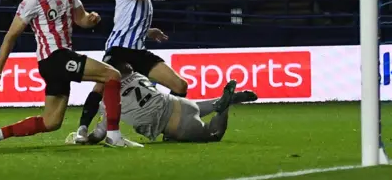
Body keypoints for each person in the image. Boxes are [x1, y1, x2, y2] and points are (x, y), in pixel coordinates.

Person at [0, 0, 143, 149]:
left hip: (61, 59)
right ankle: (114, 136)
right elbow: (11, 37)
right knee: (112, 75)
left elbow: (81, 18)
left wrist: (91, 19)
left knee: (51, 122)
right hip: (53, 58)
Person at [74, 0, 188, 144]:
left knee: (180, 85)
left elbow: (127, 19)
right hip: (119, 49)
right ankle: (82, 129)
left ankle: (170, 128)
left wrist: (149, 31)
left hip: (138, 51)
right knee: (102, 85)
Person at [66, 63, 258, 144]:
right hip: (178, 102)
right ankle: (223, 100)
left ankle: (223, 107)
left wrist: (87, 139)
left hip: (176, 125)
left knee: (213, 134)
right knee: (196, 108)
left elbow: (100, 133)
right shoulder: (137, 75)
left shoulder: (107, 103)